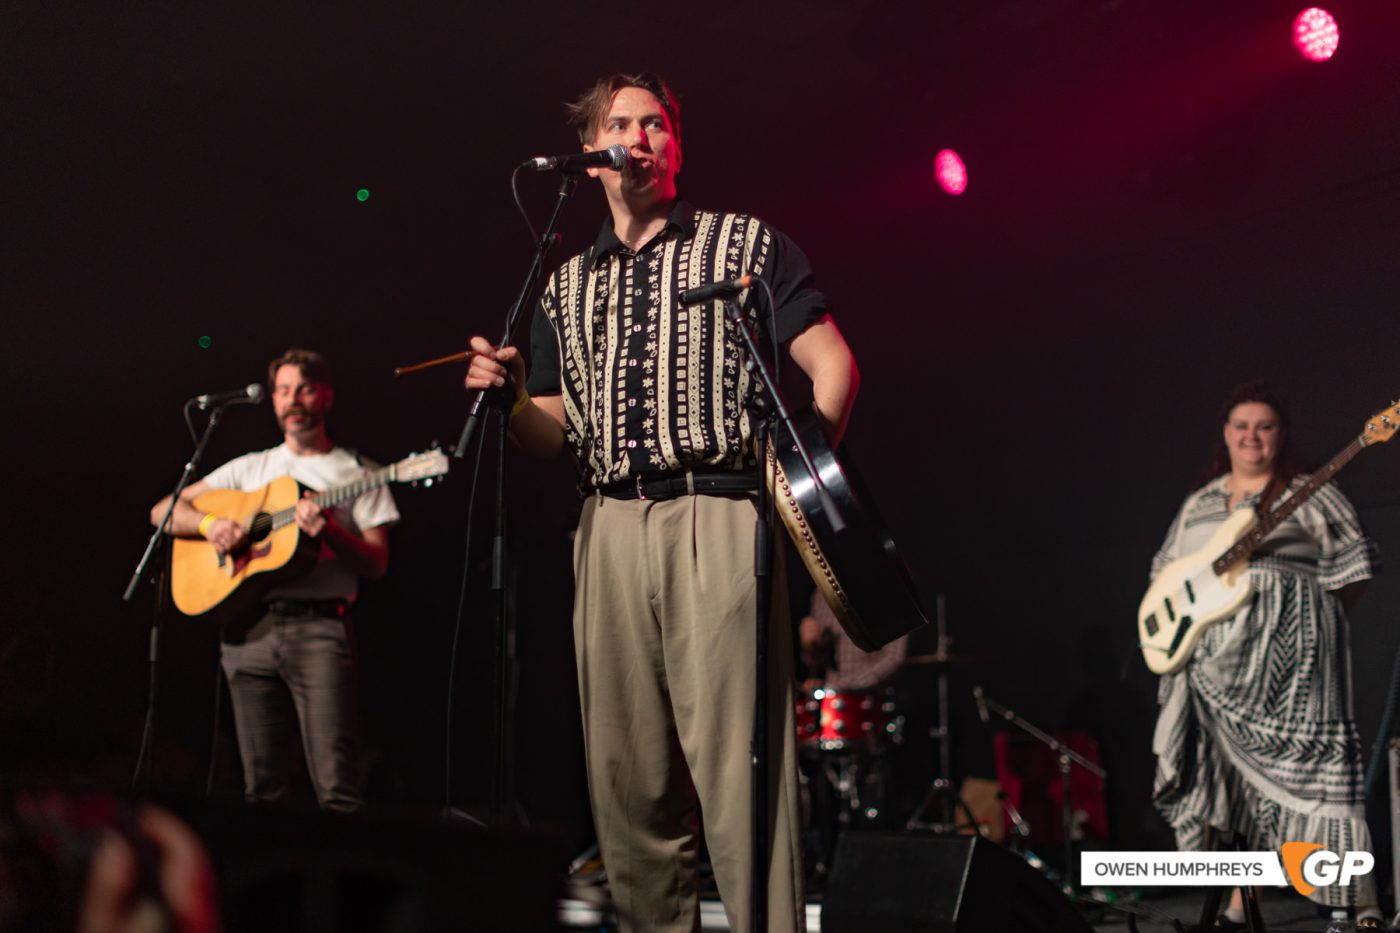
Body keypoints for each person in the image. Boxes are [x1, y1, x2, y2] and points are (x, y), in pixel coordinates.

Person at [466, 72, 858, 932]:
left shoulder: (744, 243)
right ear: (592, 156)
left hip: (719, 511)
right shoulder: (564, 285)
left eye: (656, 125)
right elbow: (551, 433)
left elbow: (833, 366)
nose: (640, 137)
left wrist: (792, 486)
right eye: (621, 125)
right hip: (605, 524)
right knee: (627, 774)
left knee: (738, 773)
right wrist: (510, 399)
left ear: (675, 147)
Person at [1150, 383, 1382, 930]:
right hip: (1214, 673)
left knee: (1323, 786)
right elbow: (1166, 573)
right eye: (1242, 425)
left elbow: (1354, 573)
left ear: (1282, 434)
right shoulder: (1201, 502)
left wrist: (1299, 621)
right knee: (1232, 794)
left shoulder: (1312, 492)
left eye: (1265, 425)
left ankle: (1357, 903)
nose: (1252, 435)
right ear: (1226, 434)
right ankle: (1235, 903)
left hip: (1295, 678)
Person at [149, 349, 397, 812]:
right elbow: (163, 510)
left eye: (303, 388)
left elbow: (376, 563)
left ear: (326, 395)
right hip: (248, 628)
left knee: (337, 786)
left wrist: (335, 534)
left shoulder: (358, 473)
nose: (292, 399)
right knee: (260, 791)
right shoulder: (251, 469)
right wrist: (210, 527)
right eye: (283, 390)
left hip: (320, 631)